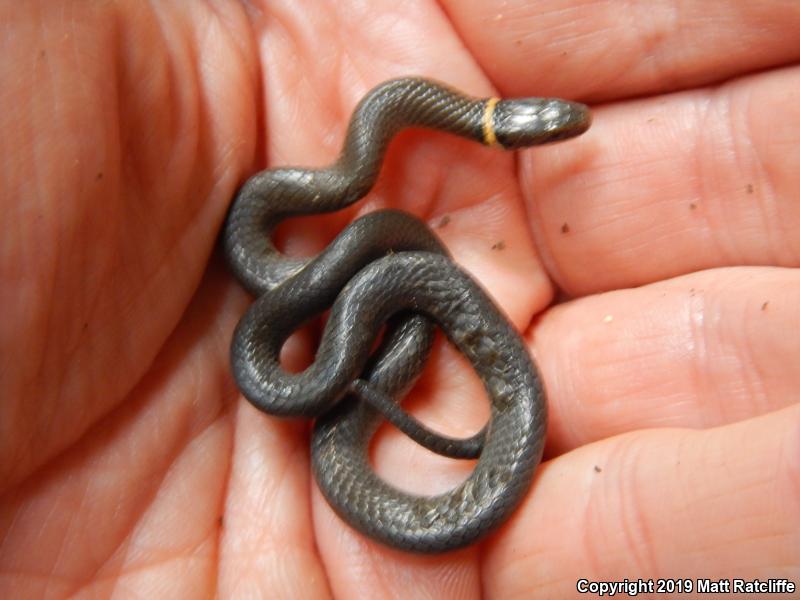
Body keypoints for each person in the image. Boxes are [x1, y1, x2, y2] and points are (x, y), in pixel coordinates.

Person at [1, 1, 798, 597]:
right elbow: (351, 279)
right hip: (350, 322)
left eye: (549, 125)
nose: (558, 126)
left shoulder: (381, 193)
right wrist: (362, 352)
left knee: (387, 280)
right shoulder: (339, 207)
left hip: (365, 322)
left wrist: (366, 347)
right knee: (377, 255)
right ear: (502, 130)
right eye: (548, 127)